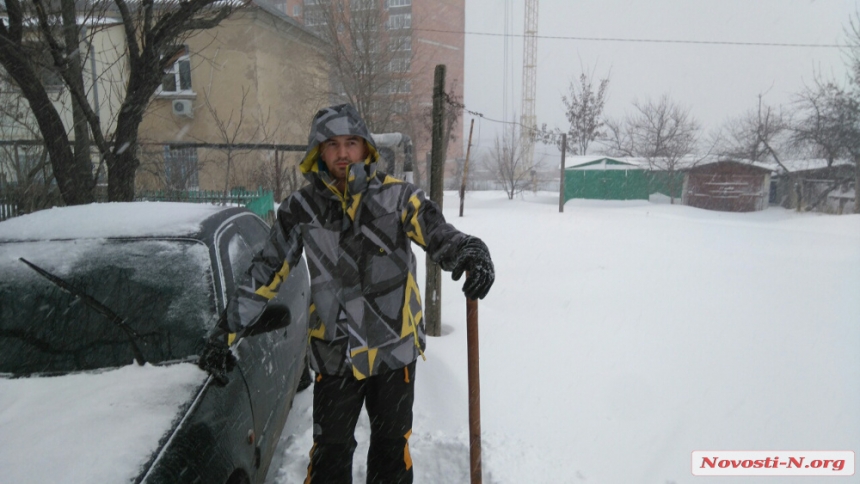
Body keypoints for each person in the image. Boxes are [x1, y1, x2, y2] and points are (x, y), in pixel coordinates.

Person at [199, 103, 494, 483]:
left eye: (351, 142)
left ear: (366, 148)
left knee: (391, 449)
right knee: (330, 455)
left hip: (394, 351)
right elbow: (266, 271)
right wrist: (226, 331)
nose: (342, 153)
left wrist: (467, 249)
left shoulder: (399, 198)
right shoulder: (301, 209)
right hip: (335, 353)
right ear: (317, 152)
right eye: (331, 144)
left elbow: (438, 233)